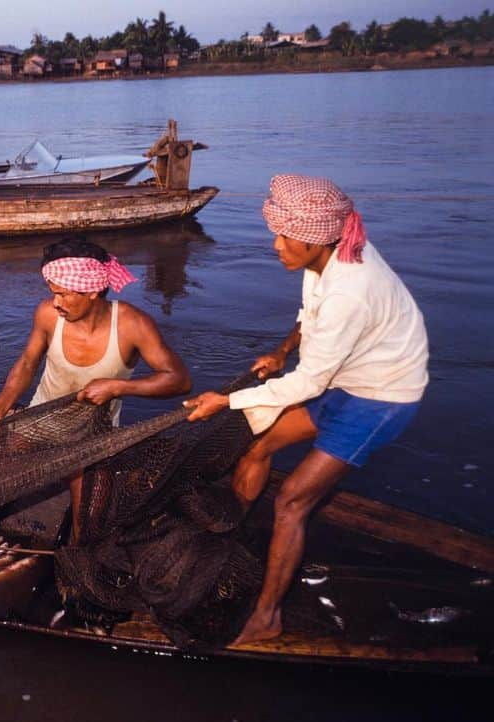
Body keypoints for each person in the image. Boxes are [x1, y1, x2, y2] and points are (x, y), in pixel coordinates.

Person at [185, 174, 428, 645]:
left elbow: (308, 381)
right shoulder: (325, 262)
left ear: (316, 239)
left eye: (285, 236)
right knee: (256, 446)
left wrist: (226, 401)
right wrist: (280, 350)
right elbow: (308, 318)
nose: (275, 246)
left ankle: (267, 618)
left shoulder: (351, 289)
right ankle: (228, 540)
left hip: (382, 398)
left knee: (292, 500)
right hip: (346, 378)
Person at [0, 236, 192, 543]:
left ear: (91, 292)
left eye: (62, 294)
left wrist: (118, 387)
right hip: (40, 422)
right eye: (53, 293)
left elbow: (179, 379)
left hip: (94, 436)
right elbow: (26, 363)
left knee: (89, 520)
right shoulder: (48, 314)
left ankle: (74, 568)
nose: (56, 302)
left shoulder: (131, 325)